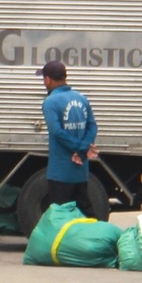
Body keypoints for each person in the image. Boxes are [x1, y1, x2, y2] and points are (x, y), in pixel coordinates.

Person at [39, 60, 99, 210]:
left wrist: (80, 147)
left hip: (60, 172)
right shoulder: (81, 98)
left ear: (48, 79)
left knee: (60, 216)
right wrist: (83, 150)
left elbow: (57, 132)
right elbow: (92, 126)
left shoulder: (50, 102)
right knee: (84, 214)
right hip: (80, 171)